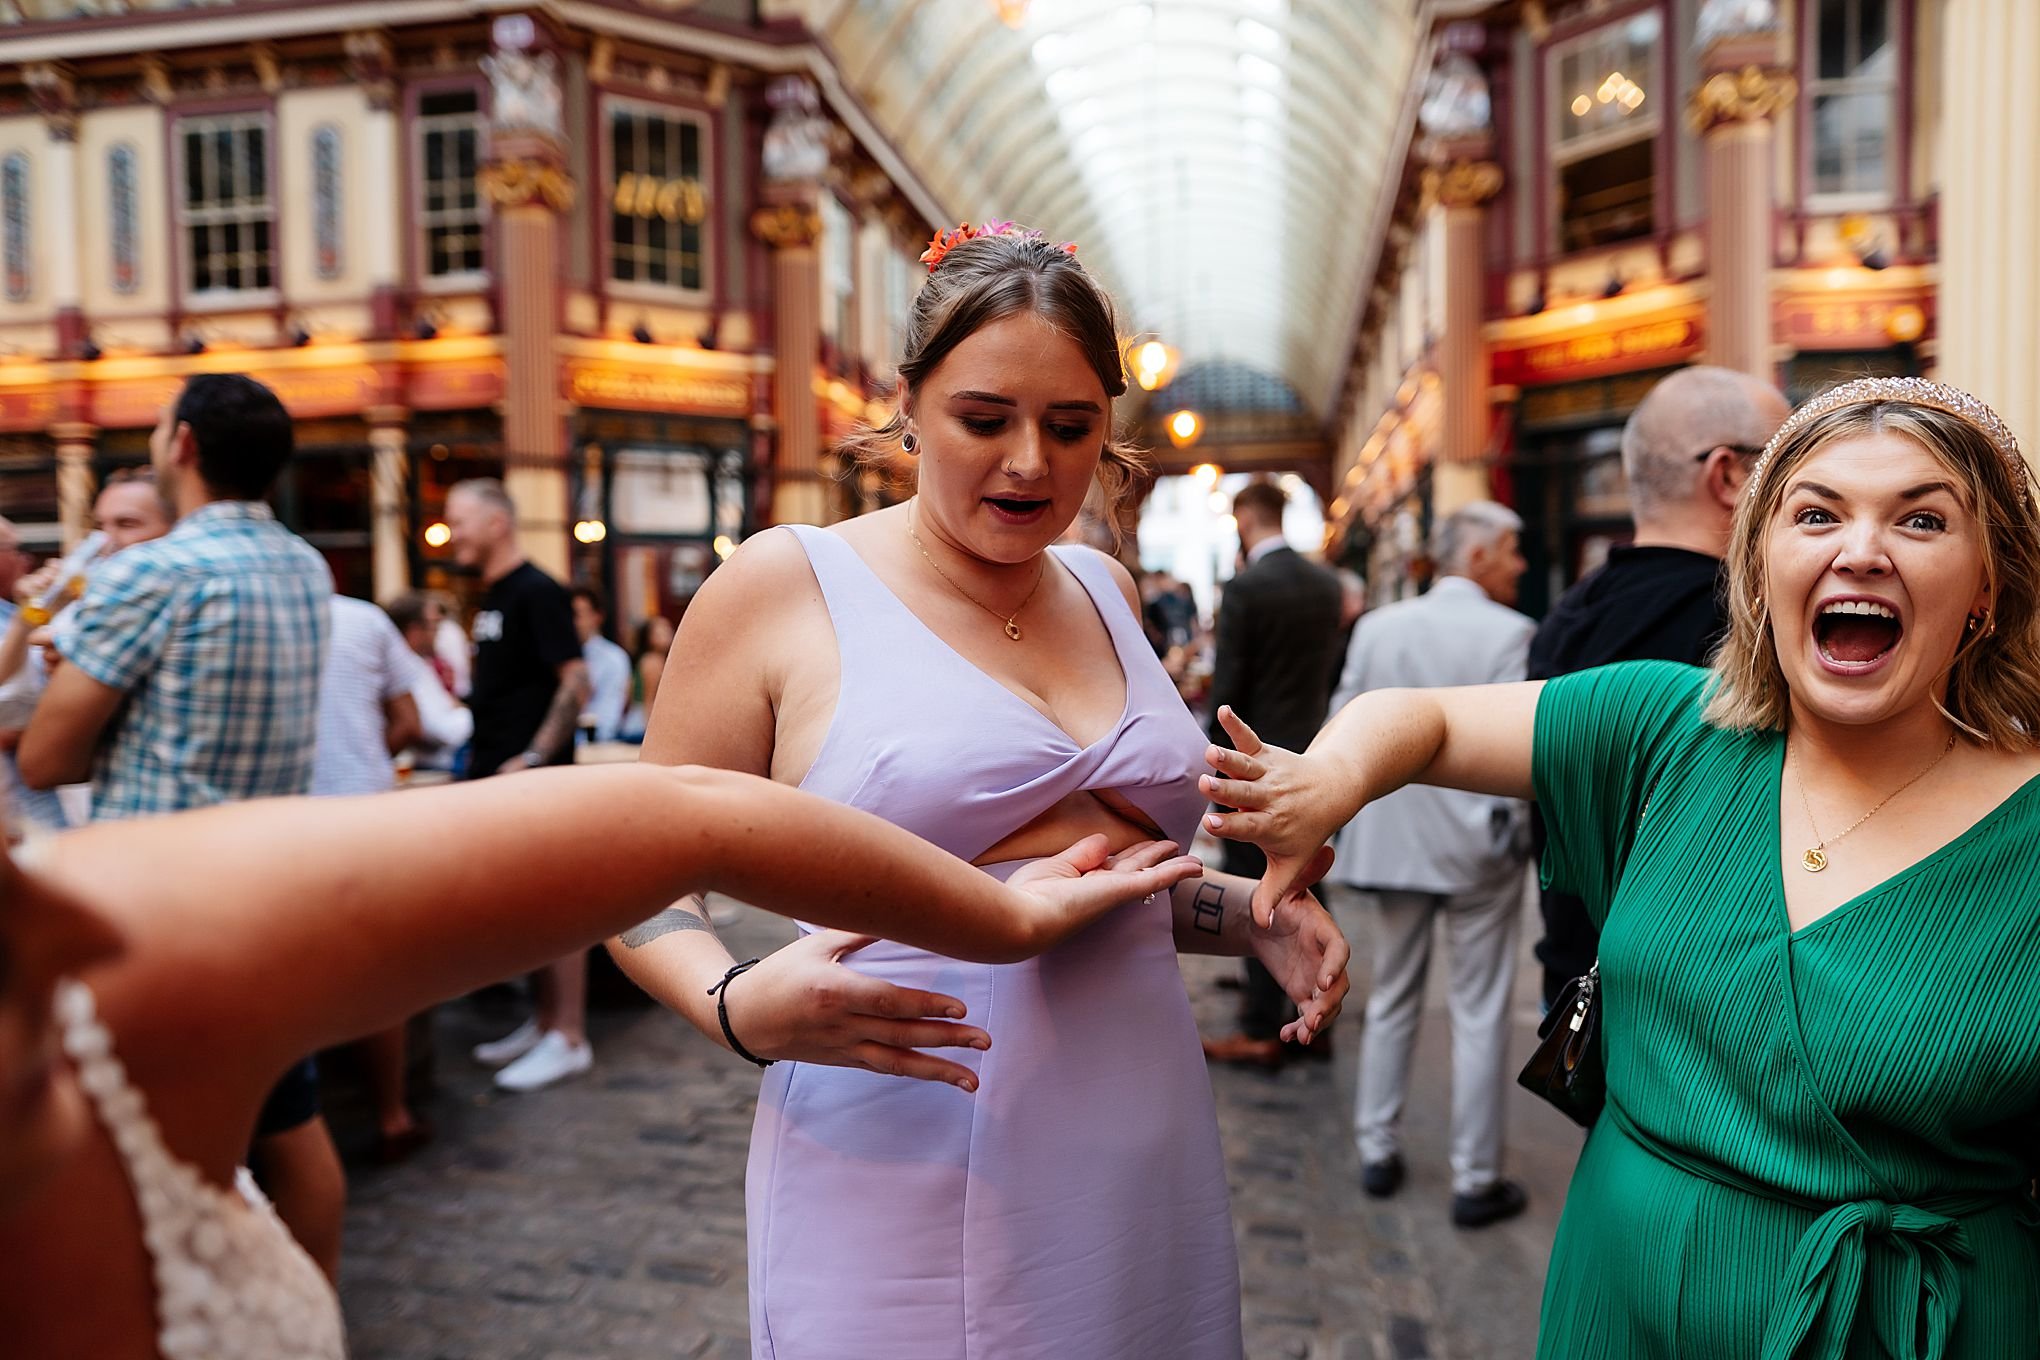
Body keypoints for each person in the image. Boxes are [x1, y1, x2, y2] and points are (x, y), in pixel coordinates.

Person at [614, 221, 1349, 1360]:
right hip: (904, 1130)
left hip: (1136, 1129)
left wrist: (1251, 917)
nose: (1030, 463)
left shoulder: (1105, 588)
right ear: (907, 401)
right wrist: (730, 1003)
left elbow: (1111, 877)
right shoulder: (783, 585)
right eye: (984, 418)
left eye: (1071, 427)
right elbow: (629, 868)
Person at [1201, 376, 2040, 1357]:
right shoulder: (1664, 727)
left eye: (1922, 520)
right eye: (1816, 513)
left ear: (1987, 585)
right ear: (1760, 557)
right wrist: (1324, 783)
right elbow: (1418, 718)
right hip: (1618, 1308)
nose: (1860, 550)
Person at [0, 757, 1202, 1360]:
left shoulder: (110, 970)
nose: (54, 912)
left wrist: (1005, 917)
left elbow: (680, 812)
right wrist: (725, 1000)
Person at [19, 372, 347, 1278]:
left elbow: (46, 761)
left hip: (157, 903)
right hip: (273, 887)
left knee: (152, 1153)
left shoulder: (155, 570)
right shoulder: (304, 563)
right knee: (289, 1125)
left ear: (184, 446)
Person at [1528, 366, 1790, 1003]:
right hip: (1696, 1004)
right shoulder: (1742, 623)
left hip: (1576, 982)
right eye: (1787, 461)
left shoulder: (1567, 615)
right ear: (1729, 476)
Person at [1327, 501, 1535, 1228]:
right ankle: (1475, 1176)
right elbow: (1520, 743)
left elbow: (1344, 724)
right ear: (1477, 557)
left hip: (1395, 840)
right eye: (1511, 549)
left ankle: (1375, 1147)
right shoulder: (1512, 633)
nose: (1521, 564)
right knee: (1480, 1010)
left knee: (1391, 998)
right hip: (1479, 845)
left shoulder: (1380, 628)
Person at [445, 478, 596, 1093]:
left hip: (535, 781)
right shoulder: (494, 595)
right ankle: (542, 1023)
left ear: (496, 524)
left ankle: (568, 1036)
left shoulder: (536, 590)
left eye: (459, 519)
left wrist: (533, 756)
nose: (451, 532)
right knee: (531, 910)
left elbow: (575, 679)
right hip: (500, 775)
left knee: (559, 908)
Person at [1200, 477, 1346, 1068]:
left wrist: (1215, 772)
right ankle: (1318, 1004)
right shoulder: (1326, 584)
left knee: (1254, 881)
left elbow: (1229, 686)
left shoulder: (1245, 588)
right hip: (1309, 753)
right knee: (1307, 872)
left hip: (1254, 761)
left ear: (1244, 520)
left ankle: (1264, 1025)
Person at [310, 594, 428, 1162]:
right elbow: (410, 721)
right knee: (379, 972)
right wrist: (360, 764)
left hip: (283, 818)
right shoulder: (364, 618)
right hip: (368, 814)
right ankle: (392, 1113)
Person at [385, 590, 473, 767]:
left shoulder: (417, 663)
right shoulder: (406, 667)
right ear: (414, 629)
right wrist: (473, 714)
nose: (438, 633)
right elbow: (435, 729)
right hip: (428, 766)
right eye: (434, 626)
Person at [571, 585, 631, 744]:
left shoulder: (613, 659)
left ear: (597, 617)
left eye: (577, 615)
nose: (571, 622)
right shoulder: (554, 657)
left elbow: (606, 720)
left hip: (594, 749)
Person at [622, 613, 675, 742]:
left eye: (667, 629)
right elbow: (649, 700)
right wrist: (653, 732)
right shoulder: (653, 662)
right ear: (649, 638)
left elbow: (627, 694)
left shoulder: (644, 660)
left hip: (633, 721)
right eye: (660, 632)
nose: (667, 633)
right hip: (642, 723)